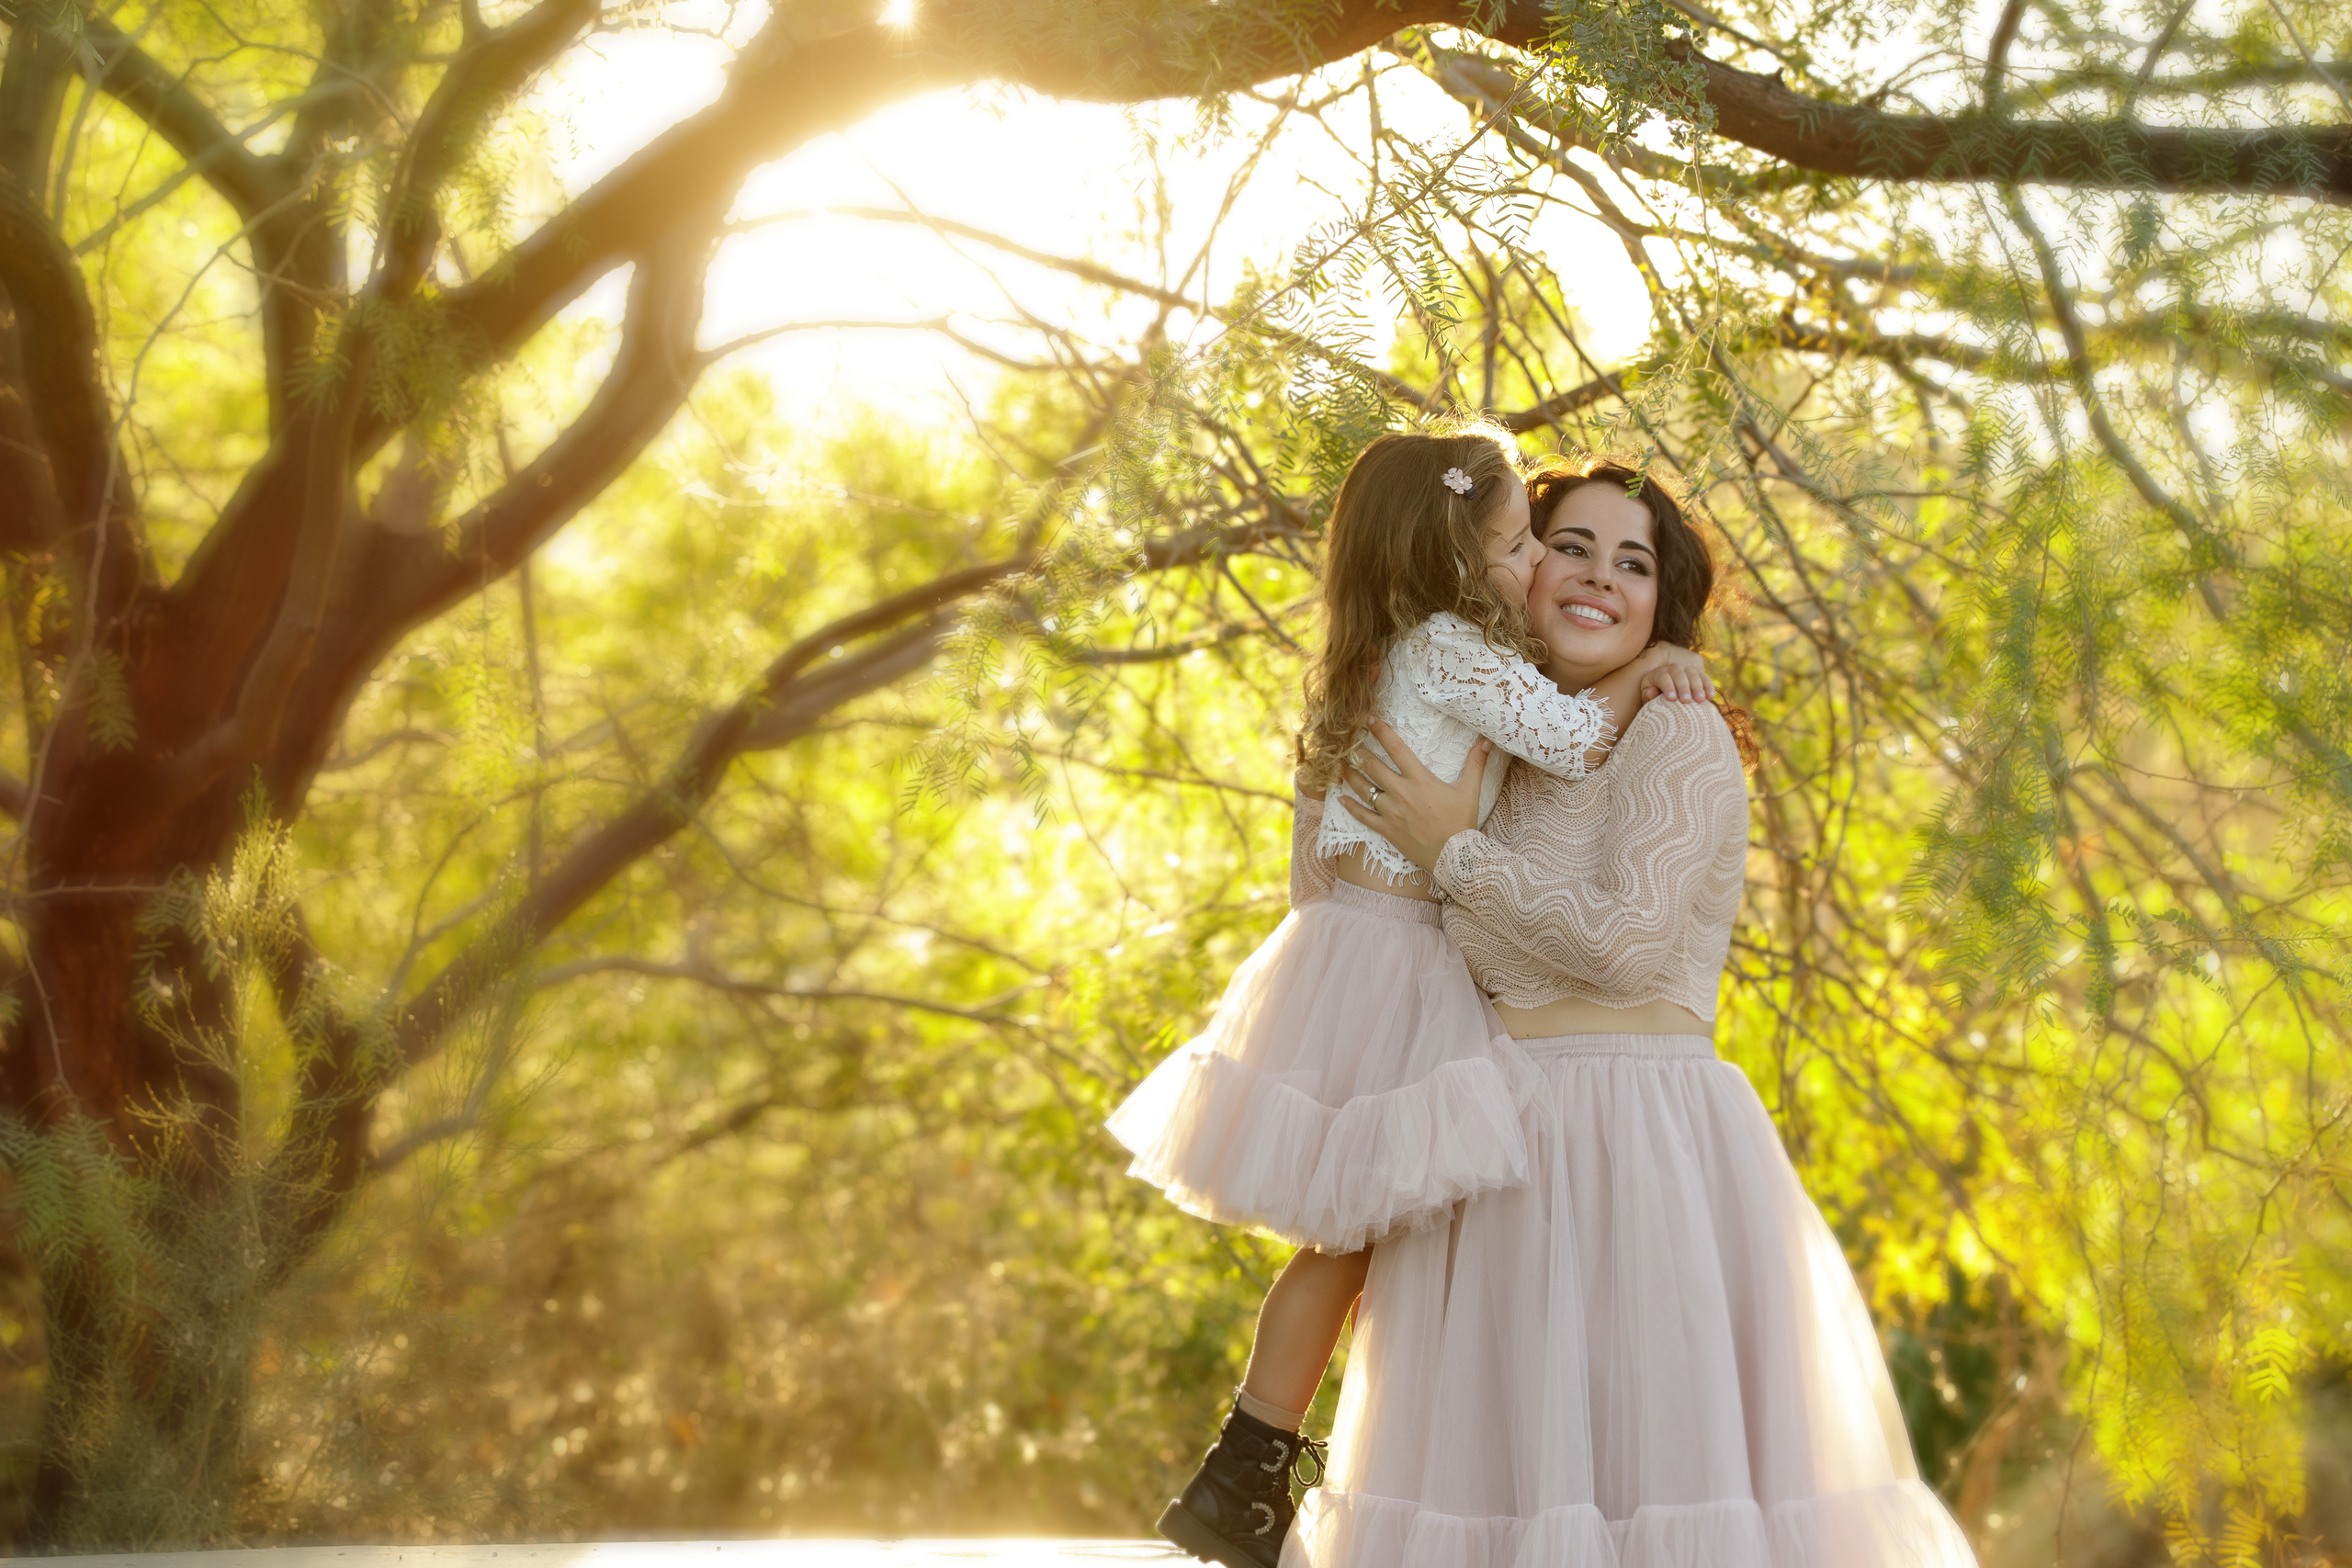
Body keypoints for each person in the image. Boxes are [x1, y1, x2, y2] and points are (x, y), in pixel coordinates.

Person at [1283, 459, 1976, 1568]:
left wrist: (1450, 850)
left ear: (1664, 600)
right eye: (1570, 545)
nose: (1598, 576)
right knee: (1493, 1504)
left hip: (1640, 1150)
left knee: (1649, 1490)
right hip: (1492, 1153)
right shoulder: (1486, 737)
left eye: (1635, 561)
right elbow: (1355, 912)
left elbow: (1626, 945)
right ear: (1511, 566)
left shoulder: (1678, 733)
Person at [1107, 428, 1712, 1568]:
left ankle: (1253, 1466)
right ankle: (1254, 1469)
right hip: (1398, 952)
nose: (1538, 560)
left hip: (1346, 944)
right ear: (1458, 556)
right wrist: (1650, 666)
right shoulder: (1445, 650)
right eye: (1523, 539)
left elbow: (1309, 853)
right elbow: (1577, 740)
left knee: (1353, 1238)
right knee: (1363, 1231)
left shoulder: (1385, 652)